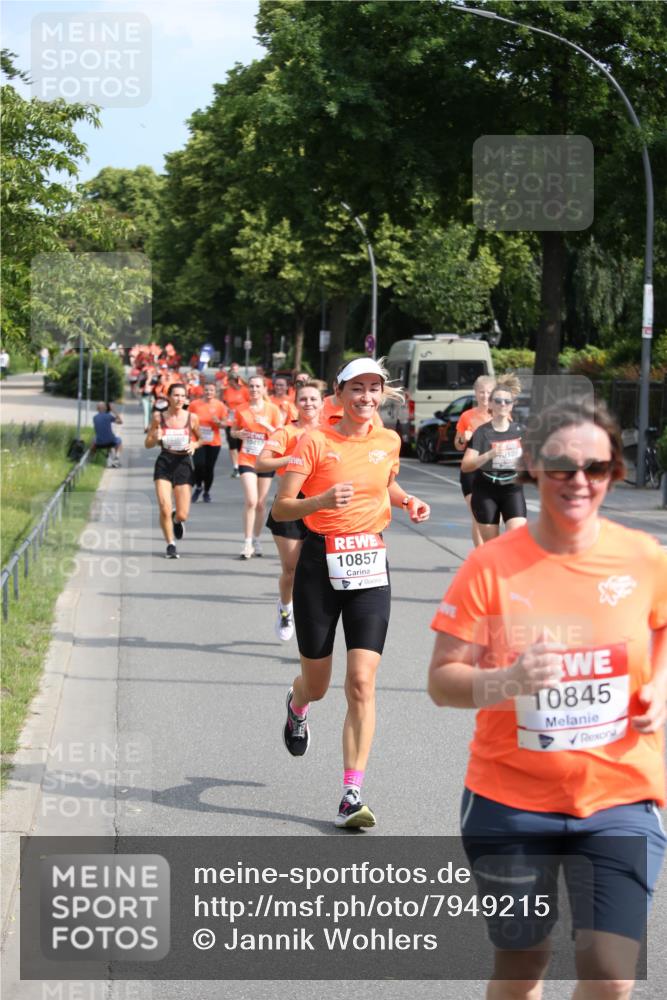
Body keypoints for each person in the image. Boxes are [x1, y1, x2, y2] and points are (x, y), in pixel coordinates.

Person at [428, 397, 667, 999]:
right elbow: (441, 680)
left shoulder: (644, 560)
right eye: (562, 466)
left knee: (610, 973)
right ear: (534, 465)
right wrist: (506, 682)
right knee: (523, 963)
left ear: (615, 471)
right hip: (511, 799)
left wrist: (659, 684)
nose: (579, 482)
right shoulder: (490, 567)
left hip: (621, 794)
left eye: (598, 468)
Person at [272, 357, 430, 828]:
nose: (366, 397)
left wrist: (406, 501)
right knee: (318, 686)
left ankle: (350, 794)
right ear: (339, 395)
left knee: (362, 681)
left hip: (369, 564)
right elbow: (282, 508)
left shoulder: (388, 439)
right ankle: (297, 705)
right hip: (320, 564)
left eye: (374, 389)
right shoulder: (315, 441)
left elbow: (385, 481)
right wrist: (319, 502)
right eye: (357, 388)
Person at [256, 380, 324, 641]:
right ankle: (286, 609)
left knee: (322, 570)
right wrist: (295, 458)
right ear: (295, 405)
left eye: (313, 399)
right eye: (303, 399)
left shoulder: (331, 432)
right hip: (291, 502)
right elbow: (262, 462)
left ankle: (315, 619)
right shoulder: (286, 432)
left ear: (322, 403)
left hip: (323, 504)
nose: (308, 403)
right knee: (292, 569)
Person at [461, 373, 527, 543]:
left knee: (517, 538)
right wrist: (491, 454)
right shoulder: (482, 432)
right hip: (486, 492)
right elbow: (466, 465)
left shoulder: (521, 431)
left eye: (507, 401)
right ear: (491, 404)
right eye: (498, 400)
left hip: (512, 489)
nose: (503, 404)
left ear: (512, 405)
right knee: (492, 546)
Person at [145, 383, 201, 559]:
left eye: (182, 396)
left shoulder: (192, 418)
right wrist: (155, 437)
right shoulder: (158, 417)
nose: (179, 399)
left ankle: (177, 520)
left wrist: (194, 444)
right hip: (164, 462)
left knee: (183, 513)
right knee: (164, 507)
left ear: (186, 399)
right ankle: (170, 544)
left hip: (183, 463)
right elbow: (147, 444)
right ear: (168, 397)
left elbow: (200, 440)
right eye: (176, 395)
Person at [232, 376, 282, 559]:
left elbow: (281, 432)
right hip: (247, 459)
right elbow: (233, 430)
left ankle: (256, 538)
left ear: (263, 389)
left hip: (266, 459)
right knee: (251, 501)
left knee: (261, 504)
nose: (254, 389)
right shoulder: (241, 409)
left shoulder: (273, 409)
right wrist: (238, 433)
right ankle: (246, 542)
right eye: (251, 386)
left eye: (257, 386)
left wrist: (265, 425)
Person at [454, 374, 494, 547]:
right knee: (478, 515)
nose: (485, 396)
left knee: (492, 518)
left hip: (493, 472)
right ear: (476, 393)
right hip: (470, 470)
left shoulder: (502, 415)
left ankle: (490, 552)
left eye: (488, 392)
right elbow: (458, 445)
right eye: (481, 392)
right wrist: (463, 437)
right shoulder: (467, 416)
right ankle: (480, 557)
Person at [189, 382, 228, 502]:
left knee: (209, 468)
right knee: (199, 465)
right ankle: (198, 486)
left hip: (213, 442)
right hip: (197, 440)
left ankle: (206, 491)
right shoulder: (195, 404)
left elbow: (225, 425)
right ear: (202, 391)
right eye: (206, 390)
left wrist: (218, 423)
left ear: (215, 392)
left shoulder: (220, 405)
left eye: (211, 390)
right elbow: (188, 420)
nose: (209, 393)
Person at [222, 368, 250, 479]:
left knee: (241, 445)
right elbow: (224, 403)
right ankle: (236, 467)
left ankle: (243, 464)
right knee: (232, 444)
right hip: (230, 420)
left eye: (231, 381)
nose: (229, 383)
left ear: (235, 380)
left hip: (243, 420)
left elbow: (250, 404)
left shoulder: (245, 390)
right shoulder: (227, 390)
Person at [92, 401, 123, 466]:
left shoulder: (95, 418)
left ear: (97, 409)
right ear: (105, 408)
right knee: (119, 440)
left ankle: (93, 458)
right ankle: (116, 459)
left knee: (94, 439)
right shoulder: (108, 416)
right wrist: (114, 410)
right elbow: (120, 422)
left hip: (99, 443)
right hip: (110, 441)